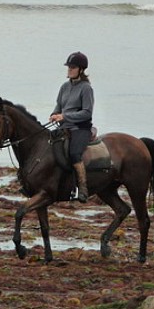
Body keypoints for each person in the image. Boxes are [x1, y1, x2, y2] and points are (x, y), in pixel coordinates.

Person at [49, 51, 94, 203]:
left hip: (80, 129)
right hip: (64, 127)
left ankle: (82, 188)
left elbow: (87, 113)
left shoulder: (86, 88)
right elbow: (59, 106)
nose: (69, 69)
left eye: (73, 67)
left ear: (81, 69)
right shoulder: (64, 87)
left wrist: (65, 116)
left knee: (74, 154)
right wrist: (55, 113)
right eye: (68, 66)